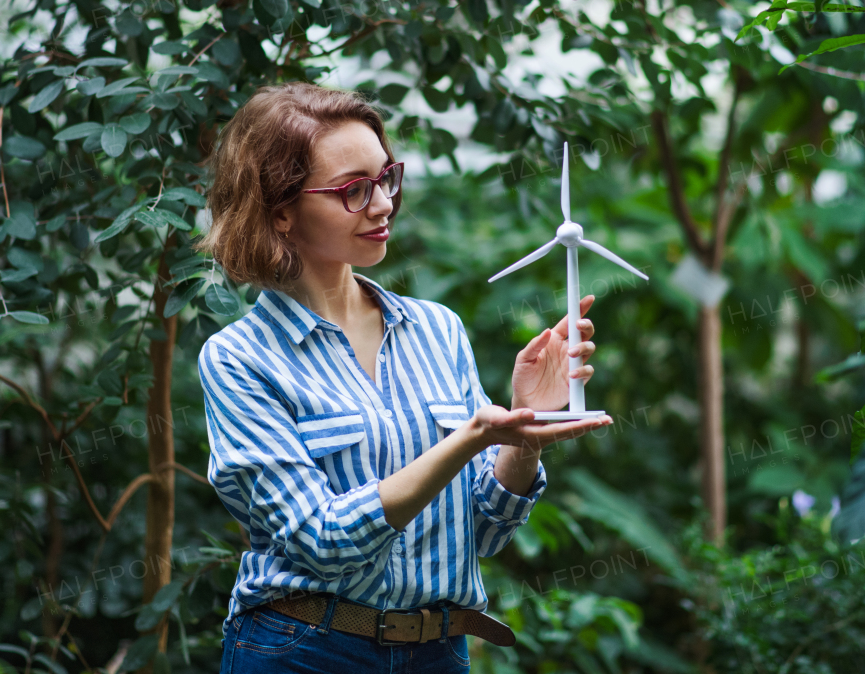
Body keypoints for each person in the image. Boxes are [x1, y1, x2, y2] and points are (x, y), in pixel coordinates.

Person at [196, 82, 612, 673]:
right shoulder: (240, 360)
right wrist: (466, 437)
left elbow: (480, 534)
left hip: (438, 652)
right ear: (280, 212)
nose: (383, 203)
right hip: (306, 651)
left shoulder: (437, 330)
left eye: (386, 177)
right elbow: (322, 540)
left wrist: (521, 438)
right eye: (352, 189)